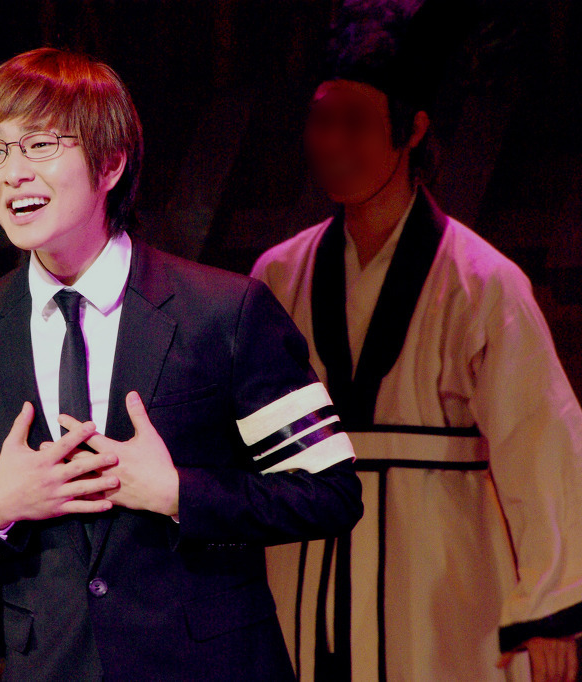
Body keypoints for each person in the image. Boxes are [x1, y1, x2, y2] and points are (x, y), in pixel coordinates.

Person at [0, 47, 363, 681]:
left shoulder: (225, 311)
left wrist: (178, 494)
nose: (13, 173)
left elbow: (329, 493)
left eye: (39, 145)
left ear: (111, 162)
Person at [251, 3, 582, 680]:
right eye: (321, 118)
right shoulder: (279, 275)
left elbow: (539, 436)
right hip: (304, 567)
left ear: (413, 129)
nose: (332, 140)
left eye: (356, 121)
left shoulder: (481, 281)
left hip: (439, 572)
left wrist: (551, 606)